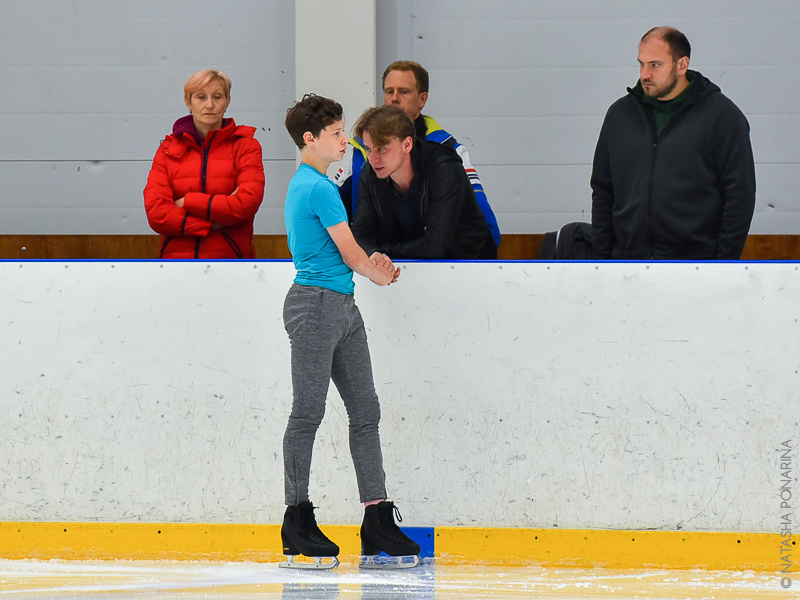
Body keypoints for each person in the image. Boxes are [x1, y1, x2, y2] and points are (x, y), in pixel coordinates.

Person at [280, 93, 420, 570]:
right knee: (308, 413)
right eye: (337, 133)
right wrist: (377, 273)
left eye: (343, 131)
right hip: (316, 306)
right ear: (310, 139)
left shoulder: (316, 184)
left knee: (365, 411)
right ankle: (296, 517)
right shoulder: (316, 187)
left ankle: (376, 517)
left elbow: (350, 248)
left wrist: (370, 260)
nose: (345, 141)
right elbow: (347, 253)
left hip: (340, 305)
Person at [591, 27, 756, 260]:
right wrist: (604, 260)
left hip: (695, 266)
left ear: (682, 65)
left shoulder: (721, 116)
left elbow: (740, 195)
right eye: (641, 64)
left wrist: (721, 265)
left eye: (655, 65)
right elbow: (603, 191)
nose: (645, 74)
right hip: (628, 264)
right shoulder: (619, 115)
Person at [334, 60, 501, 249]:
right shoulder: (358, 152)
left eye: (404, 92)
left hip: (448, 258)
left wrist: (490, 258)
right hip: (389, 257)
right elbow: (336, 208)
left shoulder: (449, 151)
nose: (394, 98)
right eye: (389, 91)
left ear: (422, 99)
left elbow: (479, 209)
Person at [144, 70, 265, 258]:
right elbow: (157, 214)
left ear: (227, 101)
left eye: (217, 97)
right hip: (175, 264)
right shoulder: (167, 149)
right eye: (201, 97)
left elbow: (246, 203)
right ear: (188, 101)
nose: (209, 105)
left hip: (231, 263)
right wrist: (210, 224)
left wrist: (187, 202)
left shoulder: (246, 146)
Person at [351, 105, 496, 260]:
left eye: (381, 149)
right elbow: (359, 235)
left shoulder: (445, 169)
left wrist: (384, 253)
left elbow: (433, 246)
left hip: (471, 263)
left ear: (407, 145)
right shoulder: (370, 173)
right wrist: (375, 254)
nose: (373, 159)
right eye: (368, 149)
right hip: (409, 262)